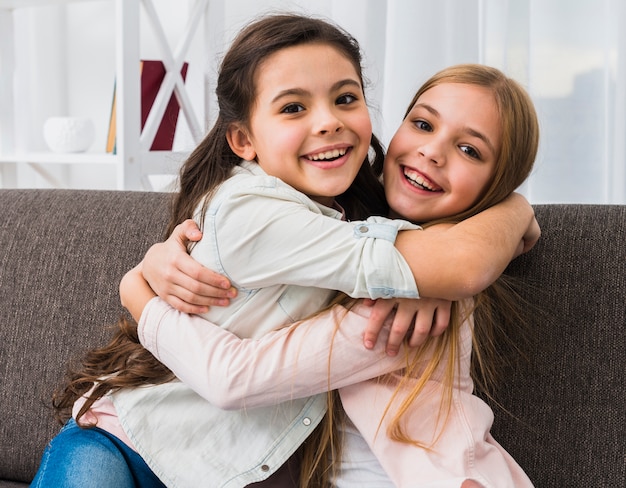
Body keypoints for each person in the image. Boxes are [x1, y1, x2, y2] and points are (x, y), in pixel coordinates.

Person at [32, 13, 538, 488]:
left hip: (226, 467)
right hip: (133, 437)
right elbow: (460, 262)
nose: (328, 122)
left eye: (345, 99)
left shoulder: (363, 218)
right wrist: (140, 283)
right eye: (294, 107)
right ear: (243, 140)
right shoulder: (258, 209)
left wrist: (507, 216)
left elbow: (467, 261)